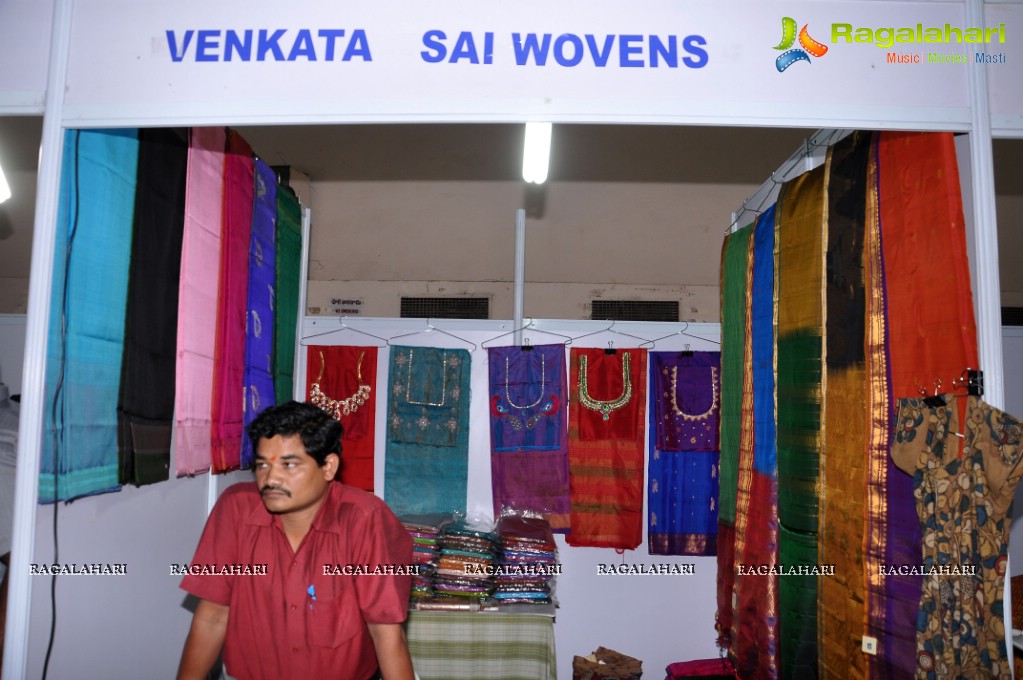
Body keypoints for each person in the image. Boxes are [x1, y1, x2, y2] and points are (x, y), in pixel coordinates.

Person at [176, 400, 415, 680]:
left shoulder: (366, 519)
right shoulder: (235, 510)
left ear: (328, 467)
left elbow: (385, 632)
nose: (271, 479)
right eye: (263, 465)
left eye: (289, 465)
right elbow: (213, 615)